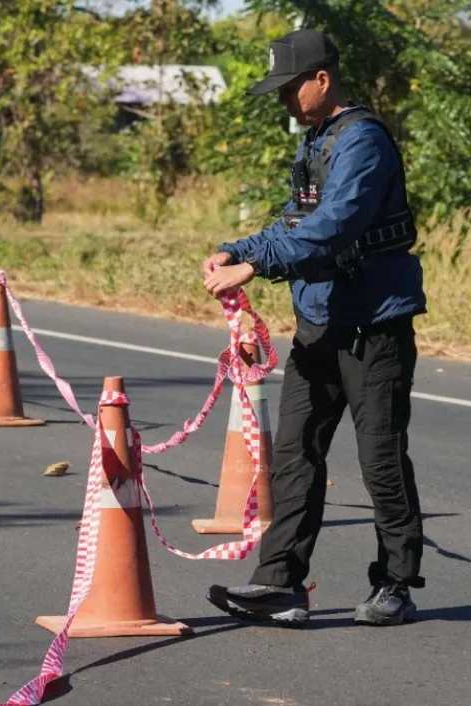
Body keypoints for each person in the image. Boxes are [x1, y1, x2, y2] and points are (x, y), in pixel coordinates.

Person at [201, 29, 426, 627]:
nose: (283, 100)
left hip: (374, 328)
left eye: (289, 87)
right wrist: (236, 250)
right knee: (296, 454)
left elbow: (333, 227)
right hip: (319, 322)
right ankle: (280, 585)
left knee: (380, 459)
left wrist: (256, 265)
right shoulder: (319, 140)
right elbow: (294, 220)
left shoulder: (364, 142)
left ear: (322, 80)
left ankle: (396, 584)